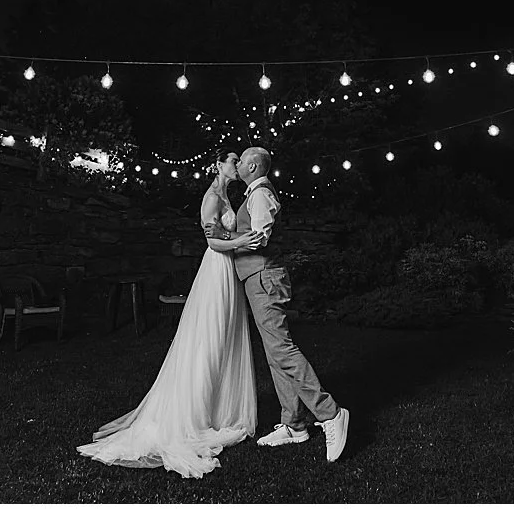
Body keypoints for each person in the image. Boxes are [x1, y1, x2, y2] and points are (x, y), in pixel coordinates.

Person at [77, 152, 260, 478]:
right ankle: (195, 413)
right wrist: (244, 240)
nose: (236, 164)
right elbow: (213, 242)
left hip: (228, 272)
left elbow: (224, 234)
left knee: (226, 340)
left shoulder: (224, 197)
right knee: (209, 340)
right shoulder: (211, 197)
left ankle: (218, 409)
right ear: (218, 165)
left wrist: (238, 240)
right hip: (216, 272)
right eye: (232, 160)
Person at [229, 146, 351, 462]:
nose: (238, 164)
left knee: (282, 350)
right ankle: (295, 424)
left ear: (253, 166)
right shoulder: (252, 194)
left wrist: (228, 245)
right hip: (257, 277)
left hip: (264, 276)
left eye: (242, 160)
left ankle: (330, 413)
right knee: (274, 353)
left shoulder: (260, 194)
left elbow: (260, 238)